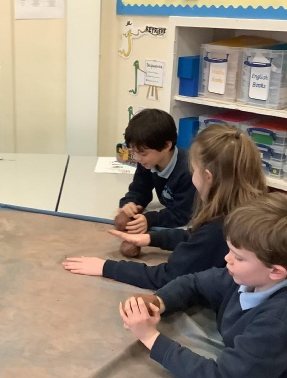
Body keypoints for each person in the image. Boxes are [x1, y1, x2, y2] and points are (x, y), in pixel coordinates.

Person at [119, 192, 287, 378]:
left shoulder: (277, 320)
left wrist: (151, 338)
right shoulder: (248, 278)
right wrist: (159, 301)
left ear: (276, 272)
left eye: (238, 257)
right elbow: (195, 282)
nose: (227, 259)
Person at [63, 124, 267, 290]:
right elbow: (195, 238)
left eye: (194, 170)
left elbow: (168, 276)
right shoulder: (242, 209)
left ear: (208, 177)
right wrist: (151, 238)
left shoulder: (220, 228)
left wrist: (106, 267)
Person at [117, 109, 196, 234]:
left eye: (143, 153)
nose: (137, 158)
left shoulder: (187, 171)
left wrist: (150, 219)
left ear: (166, 146)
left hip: (195, 224)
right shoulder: (148, 162)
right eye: (134, 152)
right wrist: (130, 203)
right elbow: (139, 190)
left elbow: (181, 214)